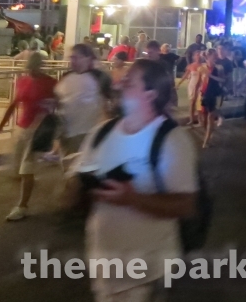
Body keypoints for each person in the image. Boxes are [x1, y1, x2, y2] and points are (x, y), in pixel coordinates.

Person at [66, 59, 198, 302]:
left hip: (148, 273)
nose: (119, 83)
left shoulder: (171, 140)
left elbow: (185, 205)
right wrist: (79, 185)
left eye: (129, 81)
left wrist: (132, 198)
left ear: (150, 94)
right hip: (104, 270)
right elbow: (71, 191)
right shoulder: (101, 133)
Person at [0, 51, 58, 221]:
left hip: (38, 130)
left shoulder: (50, 83)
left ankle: (22, 206)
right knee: (18, 171)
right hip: (22, 129)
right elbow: (13, 105)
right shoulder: (22, 81)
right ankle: (27, 192)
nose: (32, 70)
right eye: (30, 67)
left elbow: (59, 106)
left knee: (26, 169)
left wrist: (51, 112)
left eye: (35, 66)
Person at [54, 43, 107, 160]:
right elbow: (58, 100)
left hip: (88, 133)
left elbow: (110, 102)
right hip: (67, 133)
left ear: (87, 58)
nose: (72, 61)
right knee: (68, 167)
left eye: (76, 57)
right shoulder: (66, 76)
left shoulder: (100, 78)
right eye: (71, 57)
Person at [199, 49, 226, 148]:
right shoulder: (202, 67)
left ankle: (206, 141)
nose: (214, 57)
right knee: (204, 117)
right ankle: (209, 134)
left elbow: (223, 80)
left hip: (215, 93)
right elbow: (200, 80)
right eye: (212, 55)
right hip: (205, 93)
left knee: (210, 117)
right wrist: (199, 90)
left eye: (214, 55)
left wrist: (211, 76)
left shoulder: (219, 67)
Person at [175, 49, 204, 127]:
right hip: (192, 85)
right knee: (192, 103)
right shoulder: (191, 66)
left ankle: (200, 119)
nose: (198, 56)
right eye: (196, 55)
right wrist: (179, 84)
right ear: (194, 57)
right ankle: (191, 120)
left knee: (199, 104)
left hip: (201, 86)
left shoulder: (203, 65)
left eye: (199, 55)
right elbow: (185, 75)